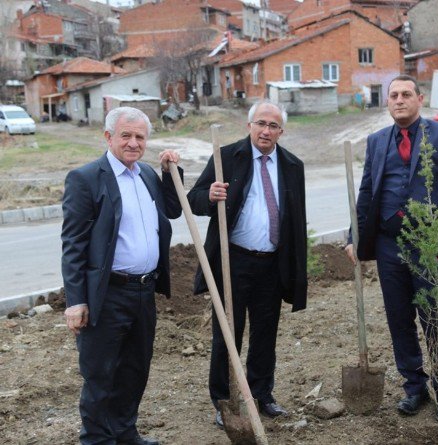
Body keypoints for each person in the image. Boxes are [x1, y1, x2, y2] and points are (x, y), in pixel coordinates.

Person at [345, 75, 438, 419]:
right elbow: (367, 192)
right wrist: (354, 237)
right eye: (393, 95)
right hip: (388, 245)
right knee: (399, 318)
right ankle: (414, 387)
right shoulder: (377, 141)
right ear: (387, 102)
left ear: (419, 98)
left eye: (406, 94)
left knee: (435, 317)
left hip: (429, 245)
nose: (399, 100)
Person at [61, 106, 183, 445]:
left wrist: (171, 170)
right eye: (125, 135)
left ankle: (125, 432)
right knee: (100, 375)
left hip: (144, 291)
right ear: (108, 137)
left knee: (134, 371)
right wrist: (76, 301)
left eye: (140, 137)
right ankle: (98, 439)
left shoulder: (145, 175)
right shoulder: (86, 178)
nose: (133, 143)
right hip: (107, 294)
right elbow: (73, 245)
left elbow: (172, 210)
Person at [186, 100, 307, 425]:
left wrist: (297, 271)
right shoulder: (227, 158)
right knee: (228, 333)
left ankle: (261, 394)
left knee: (266, 334)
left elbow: (296, 221)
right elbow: (194, 199)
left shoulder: (293, 165)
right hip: (232, 263)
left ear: (281, 131)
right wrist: (209, 196)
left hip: (271, 265)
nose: (266, 131)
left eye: (273, 126)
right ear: (249, 125)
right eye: (261, 124)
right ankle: (225, 400)